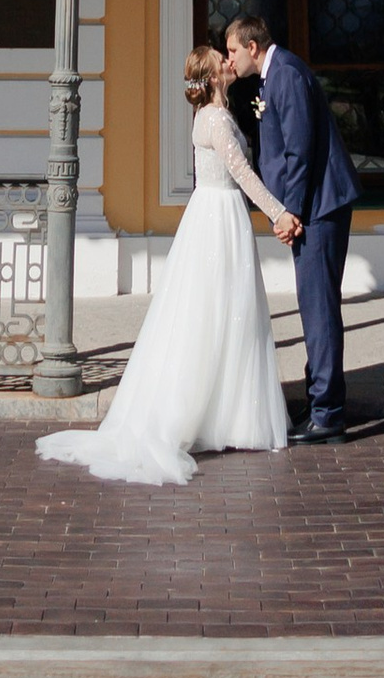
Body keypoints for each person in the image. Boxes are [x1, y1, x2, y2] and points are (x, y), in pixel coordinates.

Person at [34, 44, 298, 487]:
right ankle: (209, 413)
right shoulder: (214, 120)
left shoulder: (216, 113)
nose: (228, 61)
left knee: (229, 314)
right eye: (220, 59)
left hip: (219, 216)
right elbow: (242, 174)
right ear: (211, 76)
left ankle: (227, 413)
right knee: (216, 313)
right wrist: (279, 213)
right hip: (218, 219)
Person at [224, 8, 358, 443]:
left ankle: (328, 414)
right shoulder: (274, 75)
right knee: (314, 305)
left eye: (232, 50)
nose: (230, 59)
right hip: (310, 207)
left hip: (317, 207)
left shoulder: (285, 74)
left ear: (252, 46)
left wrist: (290, 212)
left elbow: (299, 149)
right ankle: (320, 400)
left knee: (319, 308)